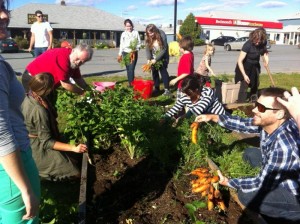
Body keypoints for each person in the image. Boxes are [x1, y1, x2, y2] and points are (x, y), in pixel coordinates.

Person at [195, 87, 300, 222]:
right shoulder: (272, 123)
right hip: (280, 171)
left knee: (246, 195)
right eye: (256, 105)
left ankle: (291, 216)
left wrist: (228, 182)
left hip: (293, 193)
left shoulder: (284, 146)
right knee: (249, 153)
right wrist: (213, 117)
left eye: (261, 108)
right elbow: (243, 123)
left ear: (279, 114)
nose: (254, 110)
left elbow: (260, 183)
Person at [0, 1, 40, 222]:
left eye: (4, 7)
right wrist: (25, 189)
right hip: (11, 170)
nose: (5, 15)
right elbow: (1, 134)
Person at [22, 73, 88, 181]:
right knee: (75, 173)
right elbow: (47, 142)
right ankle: (39, 173)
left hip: (41, 139)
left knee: (76, 159)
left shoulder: (33, 95)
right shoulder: (38, 110)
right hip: (37, 147)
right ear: (46, 89)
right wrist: (73, 148)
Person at [22, 43, 93, 95]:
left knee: (49, 108)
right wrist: (82, 92)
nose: (78, 62)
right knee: (34, 106)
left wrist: (89, 90)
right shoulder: (62, 57)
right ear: (73, 50)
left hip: (46, 84)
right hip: (33, 79)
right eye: (77, 58)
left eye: (82, 61)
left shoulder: (73, 62)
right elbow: (65, 84)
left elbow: (78, 78)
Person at [235, 28, 269, 102]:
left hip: (255, 65)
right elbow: (240, 61)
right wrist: (244, 75)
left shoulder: (263, 42)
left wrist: (266, 60)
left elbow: (265, 52)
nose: (257, 43)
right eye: (255, 41)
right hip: (245, 65)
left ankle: (253, 101)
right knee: (244, 85)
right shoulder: (247, 45)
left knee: (255, 84)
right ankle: (240, 104)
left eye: (259, 41)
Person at [145, 24, 171, 96]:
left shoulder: (162, 34)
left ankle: (167, 90)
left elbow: (164, 49)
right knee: (154, 72)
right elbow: (147, 49)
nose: (150, 35)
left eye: (151, 33)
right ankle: (157, 88)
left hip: (162, 57)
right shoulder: (148, 37)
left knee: (163, 72)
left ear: (155, 31)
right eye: (148, 33)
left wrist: (156, 59)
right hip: (153, 57)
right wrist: (148, 59)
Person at [169, 35, 194, 101]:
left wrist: (175, 79)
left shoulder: (186, 57)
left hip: (184, 84)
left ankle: (182, 110)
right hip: (188, 82)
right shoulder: (190, 54)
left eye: (179, 47)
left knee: (181, 102)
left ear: (183, 48)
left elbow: (186, 72)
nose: (179, 49)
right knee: (187, 100)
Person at [117, 19, 141, 86]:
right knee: (128, 69)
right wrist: (119, 54)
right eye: (127, 26)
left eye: (130, 26)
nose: (129, 27)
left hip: (133, 53)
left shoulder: (136, 33)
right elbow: (121, 44)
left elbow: (139, 43)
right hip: (125, 53)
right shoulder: (123, 34)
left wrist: (135, 49)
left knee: (131, 69)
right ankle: (130, 83)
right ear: (125, 26)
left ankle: (131, 84)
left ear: (132, 25)